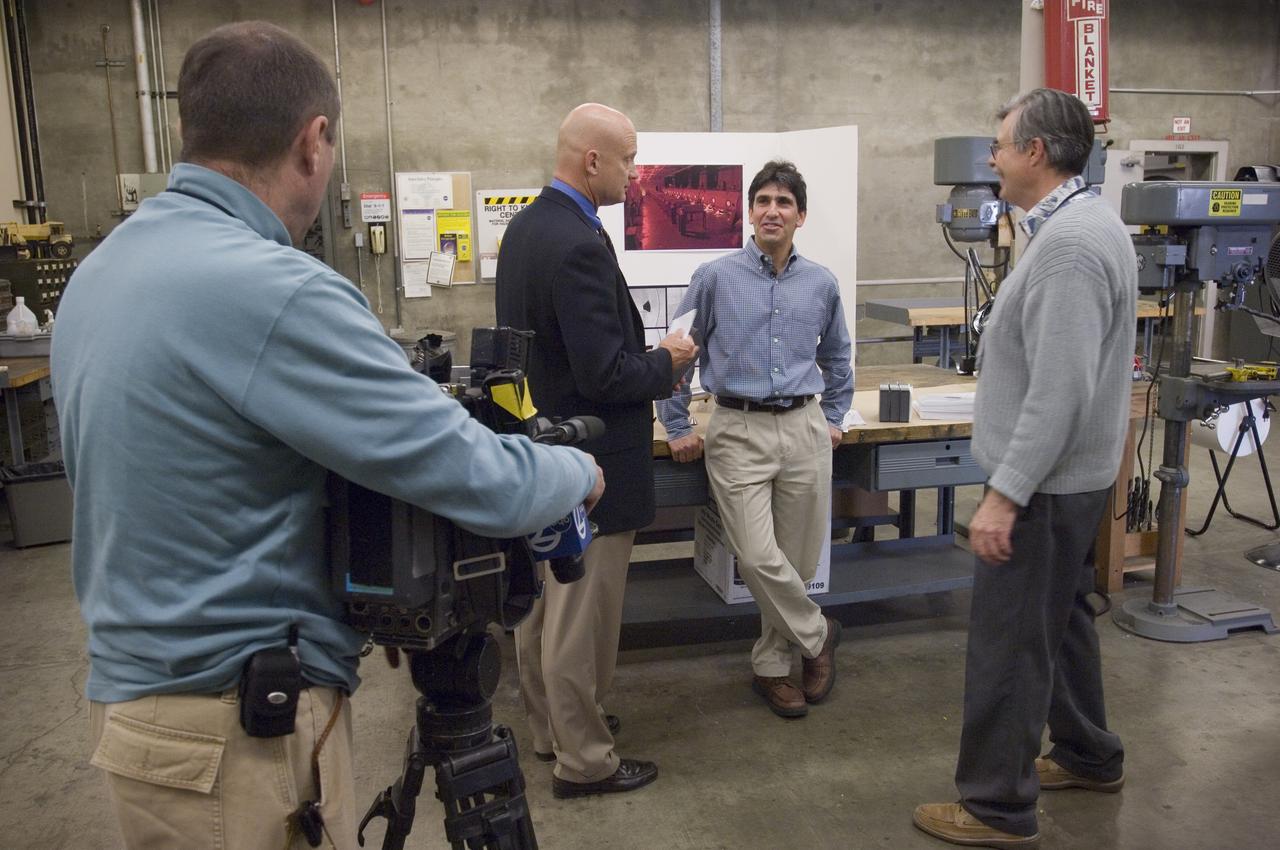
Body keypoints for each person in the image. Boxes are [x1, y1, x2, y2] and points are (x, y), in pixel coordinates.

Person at [51, 22, 601, 850]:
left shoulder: (104, 272)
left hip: (141, 718)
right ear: (314, 142)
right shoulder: (272, 288)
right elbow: (472, 471)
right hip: (240, 734)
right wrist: (574, 473)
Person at [913, 88, 1134, 848]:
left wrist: (1005, 494)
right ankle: (1088, 754)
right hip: (1072, 479)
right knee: (1061, 622)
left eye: (1001, 145)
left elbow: (1060, 387)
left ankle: (997, 805)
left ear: (1036, 152)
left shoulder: (1070, 243)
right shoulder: (1081, 223)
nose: (992, 158)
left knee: (1010, 642)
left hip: (1043, 484)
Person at [495, 103, 698, 799]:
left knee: (545, 611)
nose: (634, 174)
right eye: (628, 160)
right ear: (592, 162)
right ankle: (586, 760)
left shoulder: (527, 228)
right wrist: (666, 359)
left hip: (539, 449)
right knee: (581, 615)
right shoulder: (579, 241)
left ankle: (553, 731)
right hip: (592, 466)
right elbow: (605, 373)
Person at [657, 160, 852, 719]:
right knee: (758, 556)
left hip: (804, 426)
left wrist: (835, 415)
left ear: (801, 216)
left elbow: (837, 355)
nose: (772, 210)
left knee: (795, 559)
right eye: (763, 200)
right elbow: (679, 351)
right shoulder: (715, 276)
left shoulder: (821, 283)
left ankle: (773, 667)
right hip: (736, 428)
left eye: (784, 202)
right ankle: (820, 634)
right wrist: (676, 423)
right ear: (748, 212)